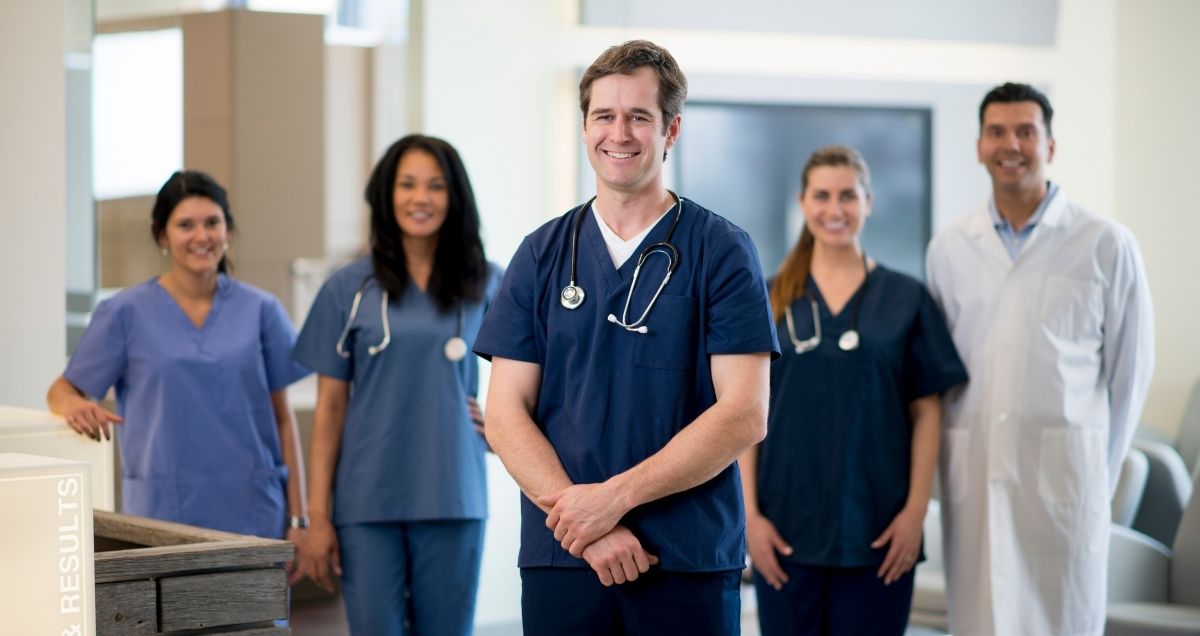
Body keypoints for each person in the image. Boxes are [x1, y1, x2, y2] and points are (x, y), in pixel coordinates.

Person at [473, 40, 779, 635]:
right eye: (604, 116)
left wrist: (612, 500)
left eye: (639, 116)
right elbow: (506, 413)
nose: (620, 133)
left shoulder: (720, 251)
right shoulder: (541, 254)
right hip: (565, 558)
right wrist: (588, 527)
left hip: (684, 557)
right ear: (585, 126)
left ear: (671, 130)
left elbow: (745, 413)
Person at [925, 82, 1155, 635]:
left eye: (1026, 131)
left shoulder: (1106, 243)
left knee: (1062, 620)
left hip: (1066, 481)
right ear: (979, 146)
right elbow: (937, 373)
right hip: (975, 473)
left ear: (1049, 145)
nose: (1012, 145)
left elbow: (1131, 374)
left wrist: (1093, 476)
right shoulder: (950, 247)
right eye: (998, 132)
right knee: (980, 619)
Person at [741, 146, 967, 635]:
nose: (835, 209)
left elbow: (928, 412)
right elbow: (744, 414)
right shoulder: (768, 297)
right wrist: (750, 519)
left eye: (848, 195)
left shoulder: (907, 298)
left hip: (880, 533)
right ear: (802, 202)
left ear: (869, 202)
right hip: (784, 534)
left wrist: (914, 515)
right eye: (821, 195)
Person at [293, 134, 501, 636]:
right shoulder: (349, 287)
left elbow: (540, 376)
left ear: (455, 197)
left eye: (434, 186)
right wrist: (315, 518)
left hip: (452, 492)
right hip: (368, 501)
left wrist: (505, 428)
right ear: (387, 195)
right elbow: (330, 411)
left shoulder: (489, 283)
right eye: (407, 184)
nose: (420, 198)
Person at [46, 170, 311, 563]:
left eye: (212, 223)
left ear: (228, 231)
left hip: (252, 510)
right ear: (162, 236)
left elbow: (283, 419)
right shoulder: (124, 313)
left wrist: (300, 519)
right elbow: (63, 389)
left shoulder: (262, 310)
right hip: (163, 514)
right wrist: (72, 405)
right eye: (185, 225)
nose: (201, 236)